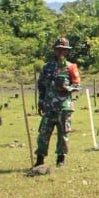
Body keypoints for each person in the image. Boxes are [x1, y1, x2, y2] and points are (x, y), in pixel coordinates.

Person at [35, 37, 81, 167]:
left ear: (67, 52)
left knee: (63, 134)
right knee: (44, 133)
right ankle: (40, 159)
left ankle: (60, 160)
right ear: (55, 50)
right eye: (59, 49)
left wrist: (67, 88)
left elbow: (78, 86)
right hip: (49, 107)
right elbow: (41, 86)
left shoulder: (71, 67)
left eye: (64, 50)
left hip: (64, 107)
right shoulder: (47, 67)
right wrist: (40, 102)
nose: (61, 52)